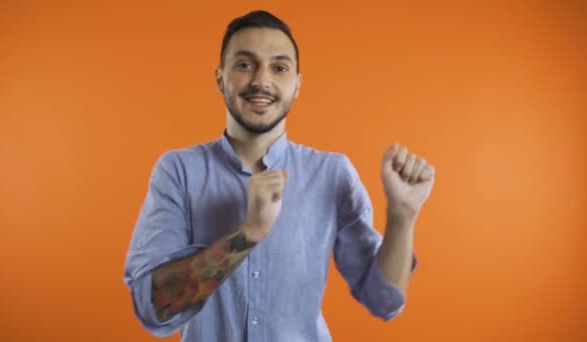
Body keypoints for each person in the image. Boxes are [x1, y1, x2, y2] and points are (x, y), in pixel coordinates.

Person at [123, 10, 435, 342]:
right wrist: (249, 233)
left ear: (297, 84)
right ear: (219, 78)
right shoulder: (179, 171)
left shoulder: (332, 173)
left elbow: (383, 300)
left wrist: (403, 216)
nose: (262, 81)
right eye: (244, 65)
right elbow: (154, 307)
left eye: (279, 68)